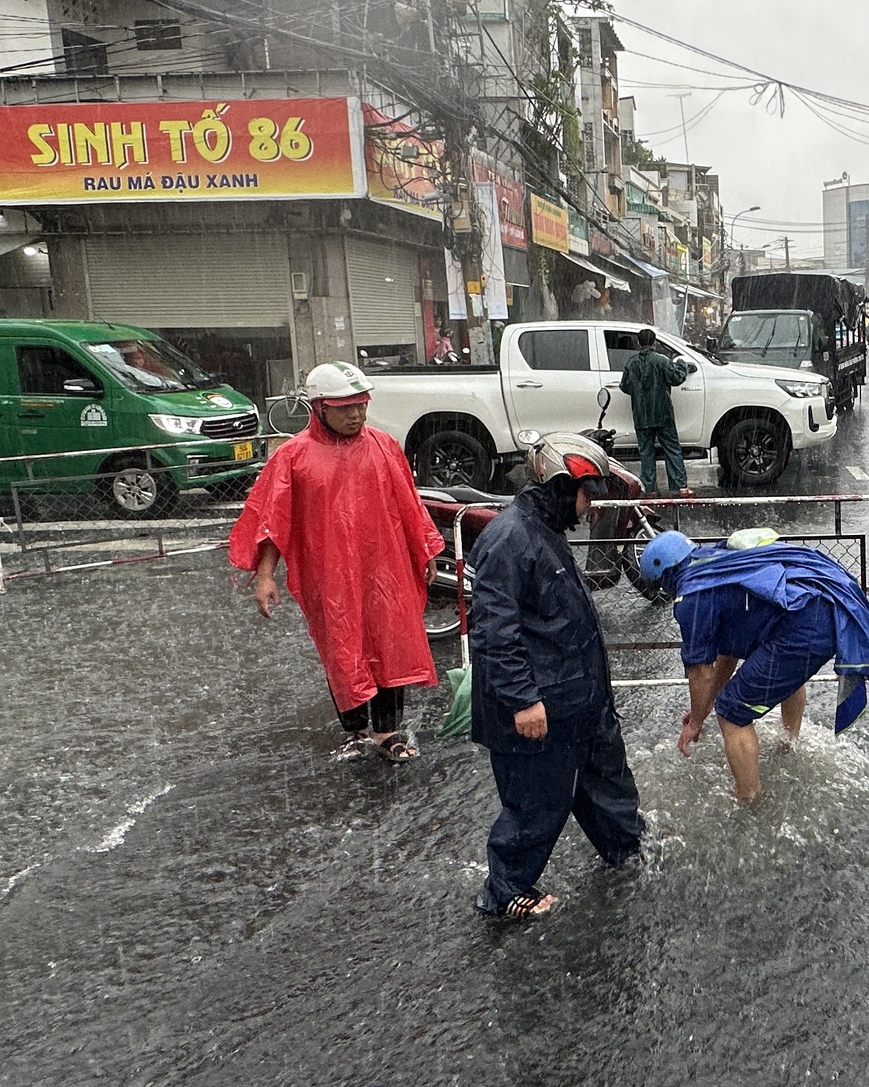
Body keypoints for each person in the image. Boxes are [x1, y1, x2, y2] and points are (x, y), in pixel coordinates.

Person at [465, 431, 645, 919]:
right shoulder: (511, 539)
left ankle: (626, 849)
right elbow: (493, 634)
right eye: (586, 495)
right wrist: (522, 700)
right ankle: (505, 893)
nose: (588, 508)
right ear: (559, 485)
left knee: (605, 783)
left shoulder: (544, 531)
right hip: (539, 707)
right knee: (536, 803)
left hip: (577, 701)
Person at [229, 361, 442, 763]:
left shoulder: (383, 445)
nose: (356, 414)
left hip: (385, 567)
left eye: (361, 405)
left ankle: (387, 731)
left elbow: (409, 503)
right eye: (345, 407)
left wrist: (425, 547)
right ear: (320, 407)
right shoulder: (293, 457)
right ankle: (356, 730)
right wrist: (265, 575)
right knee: (342, 646)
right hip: (327, 572)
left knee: (389, 644)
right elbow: (274, 522)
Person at [634, 530, 869, 806]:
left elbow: (702, 671)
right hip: (821, 610)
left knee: (732, 711)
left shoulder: (692, 596)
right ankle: (789, 744)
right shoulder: (715, 561)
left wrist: (697, 721)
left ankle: (750, 800)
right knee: (784, 674)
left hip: (803, 632)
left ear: (664, 577)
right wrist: (704, 703)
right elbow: (727, 653)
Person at [617, 327, 695, 496]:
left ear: (639, 343)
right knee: (672, 449)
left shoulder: (631, 363)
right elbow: (677, 378)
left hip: (641, 415)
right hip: (663, 413)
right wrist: (682, 365)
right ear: (654, 343)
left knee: (646, 452)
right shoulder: (661, 360)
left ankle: (650, 488)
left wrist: (638, 394)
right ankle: (680, 487)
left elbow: (624, 386)